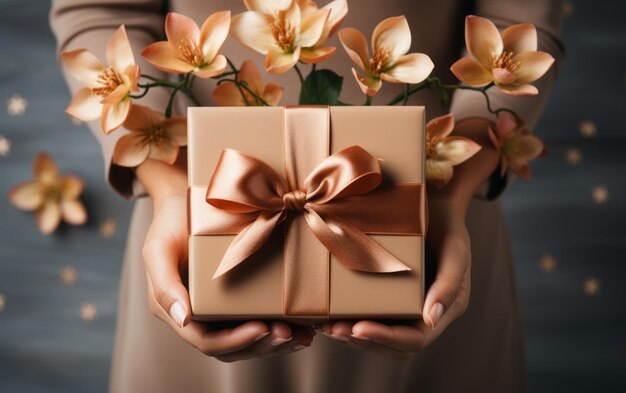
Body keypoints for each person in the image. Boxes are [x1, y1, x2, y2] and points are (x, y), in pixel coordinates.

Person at [50, 0, 565, 392]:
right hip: (197, 219)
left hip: (431, 219)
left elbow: (523, 20)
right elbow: (96, 8)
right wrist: (170, 195)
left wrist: (453, 198)